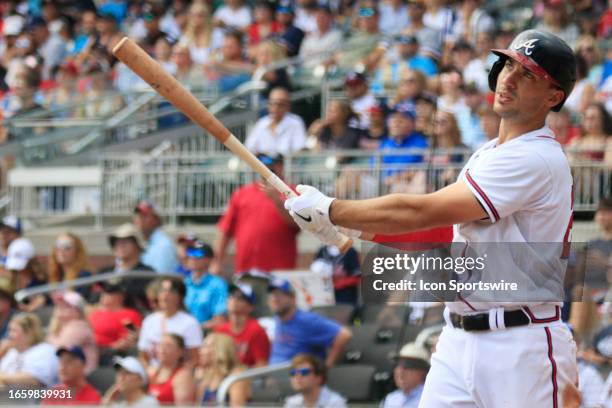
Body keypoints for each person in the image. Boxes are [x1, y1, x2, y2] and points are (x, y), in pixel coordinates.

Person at [284, 29, 579, 407]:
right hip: (458, 339)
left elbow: (419, 210)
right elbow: (441, 233)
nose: (509, 78)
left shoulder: (535, 156)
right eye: (507, 65)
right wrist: (347, 225)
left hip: (522, 346)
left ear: (554, 96)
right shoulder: (488, 152)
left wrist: (331, 208)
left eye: (527, 74)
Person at [213, 153, 300, 275]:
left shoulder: (292, 192)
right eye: (261, 164)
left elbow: (297, 224)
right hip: (246, 270)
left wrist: (277, 201)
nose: (266, 169)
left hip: (280, 271)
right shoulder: (242, 193)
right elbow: (225, 230)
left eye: (271, 165)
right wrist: (216, 262)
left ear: (281, 166)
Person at [268, 278, 352, 366]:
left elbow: (344, 335)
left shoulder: (306, 320)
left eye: (279, 295)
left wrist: (327, 369)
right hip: (272, 372)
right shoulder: (278, 318)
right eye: (272, 295)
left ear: (293, 299)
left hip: (296, 375)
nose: (274, 299)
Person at [138, 278, 203, 372]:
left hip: (179, 375)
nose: (165, 295)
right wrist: (150, 371)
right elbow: (143, 356)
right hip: (152, 374)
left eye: (170, 291)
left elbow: (194, 359)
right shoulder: (149, 321)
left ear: (180, 296)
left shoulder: (190, 323)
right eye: (162, 291)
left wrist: (175, 376)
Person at [98, 223, 154, 311]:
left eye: (126, 241)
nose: (120, 245)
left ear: (138, 245)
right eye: (116, 242)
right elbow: (93, 298)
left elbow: (139, 298)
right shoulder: (104, 272)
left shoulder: (147, 273)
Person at [214, 283, 270, 367]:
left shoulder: (256, 331)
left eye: (240, 298)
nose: (234, 299)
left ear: (250, 307)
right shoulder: (220, 330)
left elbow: (261, 365)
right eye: (231, 296)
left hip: (245, 377)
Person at [0, 313, 59, 388]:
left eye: (14, 331)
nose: (9, 335)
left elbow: (35, 380)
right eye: (10, 330)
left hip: (35, 398)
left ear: (29, 333)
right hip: (9, 397)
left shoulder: (45, 350)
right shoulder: (12, 352)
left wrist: (3, 378)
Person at [46, 291, 98, 374]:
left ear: (78, 311)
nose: (60, 308)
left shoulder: (79, 326)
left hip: (82, 377)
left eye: (66, 306)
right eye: (59, 305)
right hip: (65, 375)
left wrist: (51, 338)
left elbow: (58, 350)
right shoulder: (59, 326)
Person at [245, 87, 307, 156]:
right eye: (272, 103)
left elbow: (299, 149)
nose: (275, 107)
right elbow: (249, 147)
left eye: (280, 104)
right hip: (262, 165)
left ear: (288, 106)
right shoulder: (262, 123)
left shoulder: (295, 123)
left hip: (286, 166)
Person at [87, 279, 142, 355]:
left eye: (109, 292)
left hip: (110, 354)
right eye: (104, 291)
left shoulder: (129, 315)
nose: (104, 294)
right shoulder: (93, 312)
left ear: (121, 296)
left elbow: (131, 337)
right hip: (89, 350)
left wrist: (111, 348)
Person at [195, 333, 250, 406]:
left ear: (219, 349)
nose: (200, 351)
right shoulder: (206, 374)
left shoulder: (236, 376)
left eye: (205, 346)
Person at [183, 240, 228, 327]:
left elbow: (219, 319)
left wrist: (196, 329)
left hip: (206, 333)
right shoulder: (184, 283)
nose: (192, 257)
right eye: (190, 253)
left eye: (197, 254)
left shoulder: (218, 285)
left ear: (209, 260)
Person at [148, 333, 196, 405]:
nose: (162, 349)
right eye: (160, 345)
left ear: (180, 352)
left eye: (168, 345)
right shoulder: (151, 372)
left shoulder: (183, 376)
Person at [133, 200, 178, 274]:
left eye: (145, 216)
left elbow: (159, 279)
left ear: (157, 220)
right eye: (138, 216)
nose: (140, 219)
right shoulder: (147, 243)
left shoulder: (163, 245)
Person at [380, 342, 431, 408]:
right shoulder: (390, 399)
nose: (400, 371)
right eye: (398, 365)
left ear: (423, 371)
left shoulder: (430, 398)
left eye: (408, 366)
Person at [47, 232, 93, 299]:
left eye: (67, 247)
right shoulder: (55, 275)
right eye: (58, 246)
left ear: (77, 251)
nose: (61, 251)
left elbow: (79, 302)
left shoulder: (84, 275)